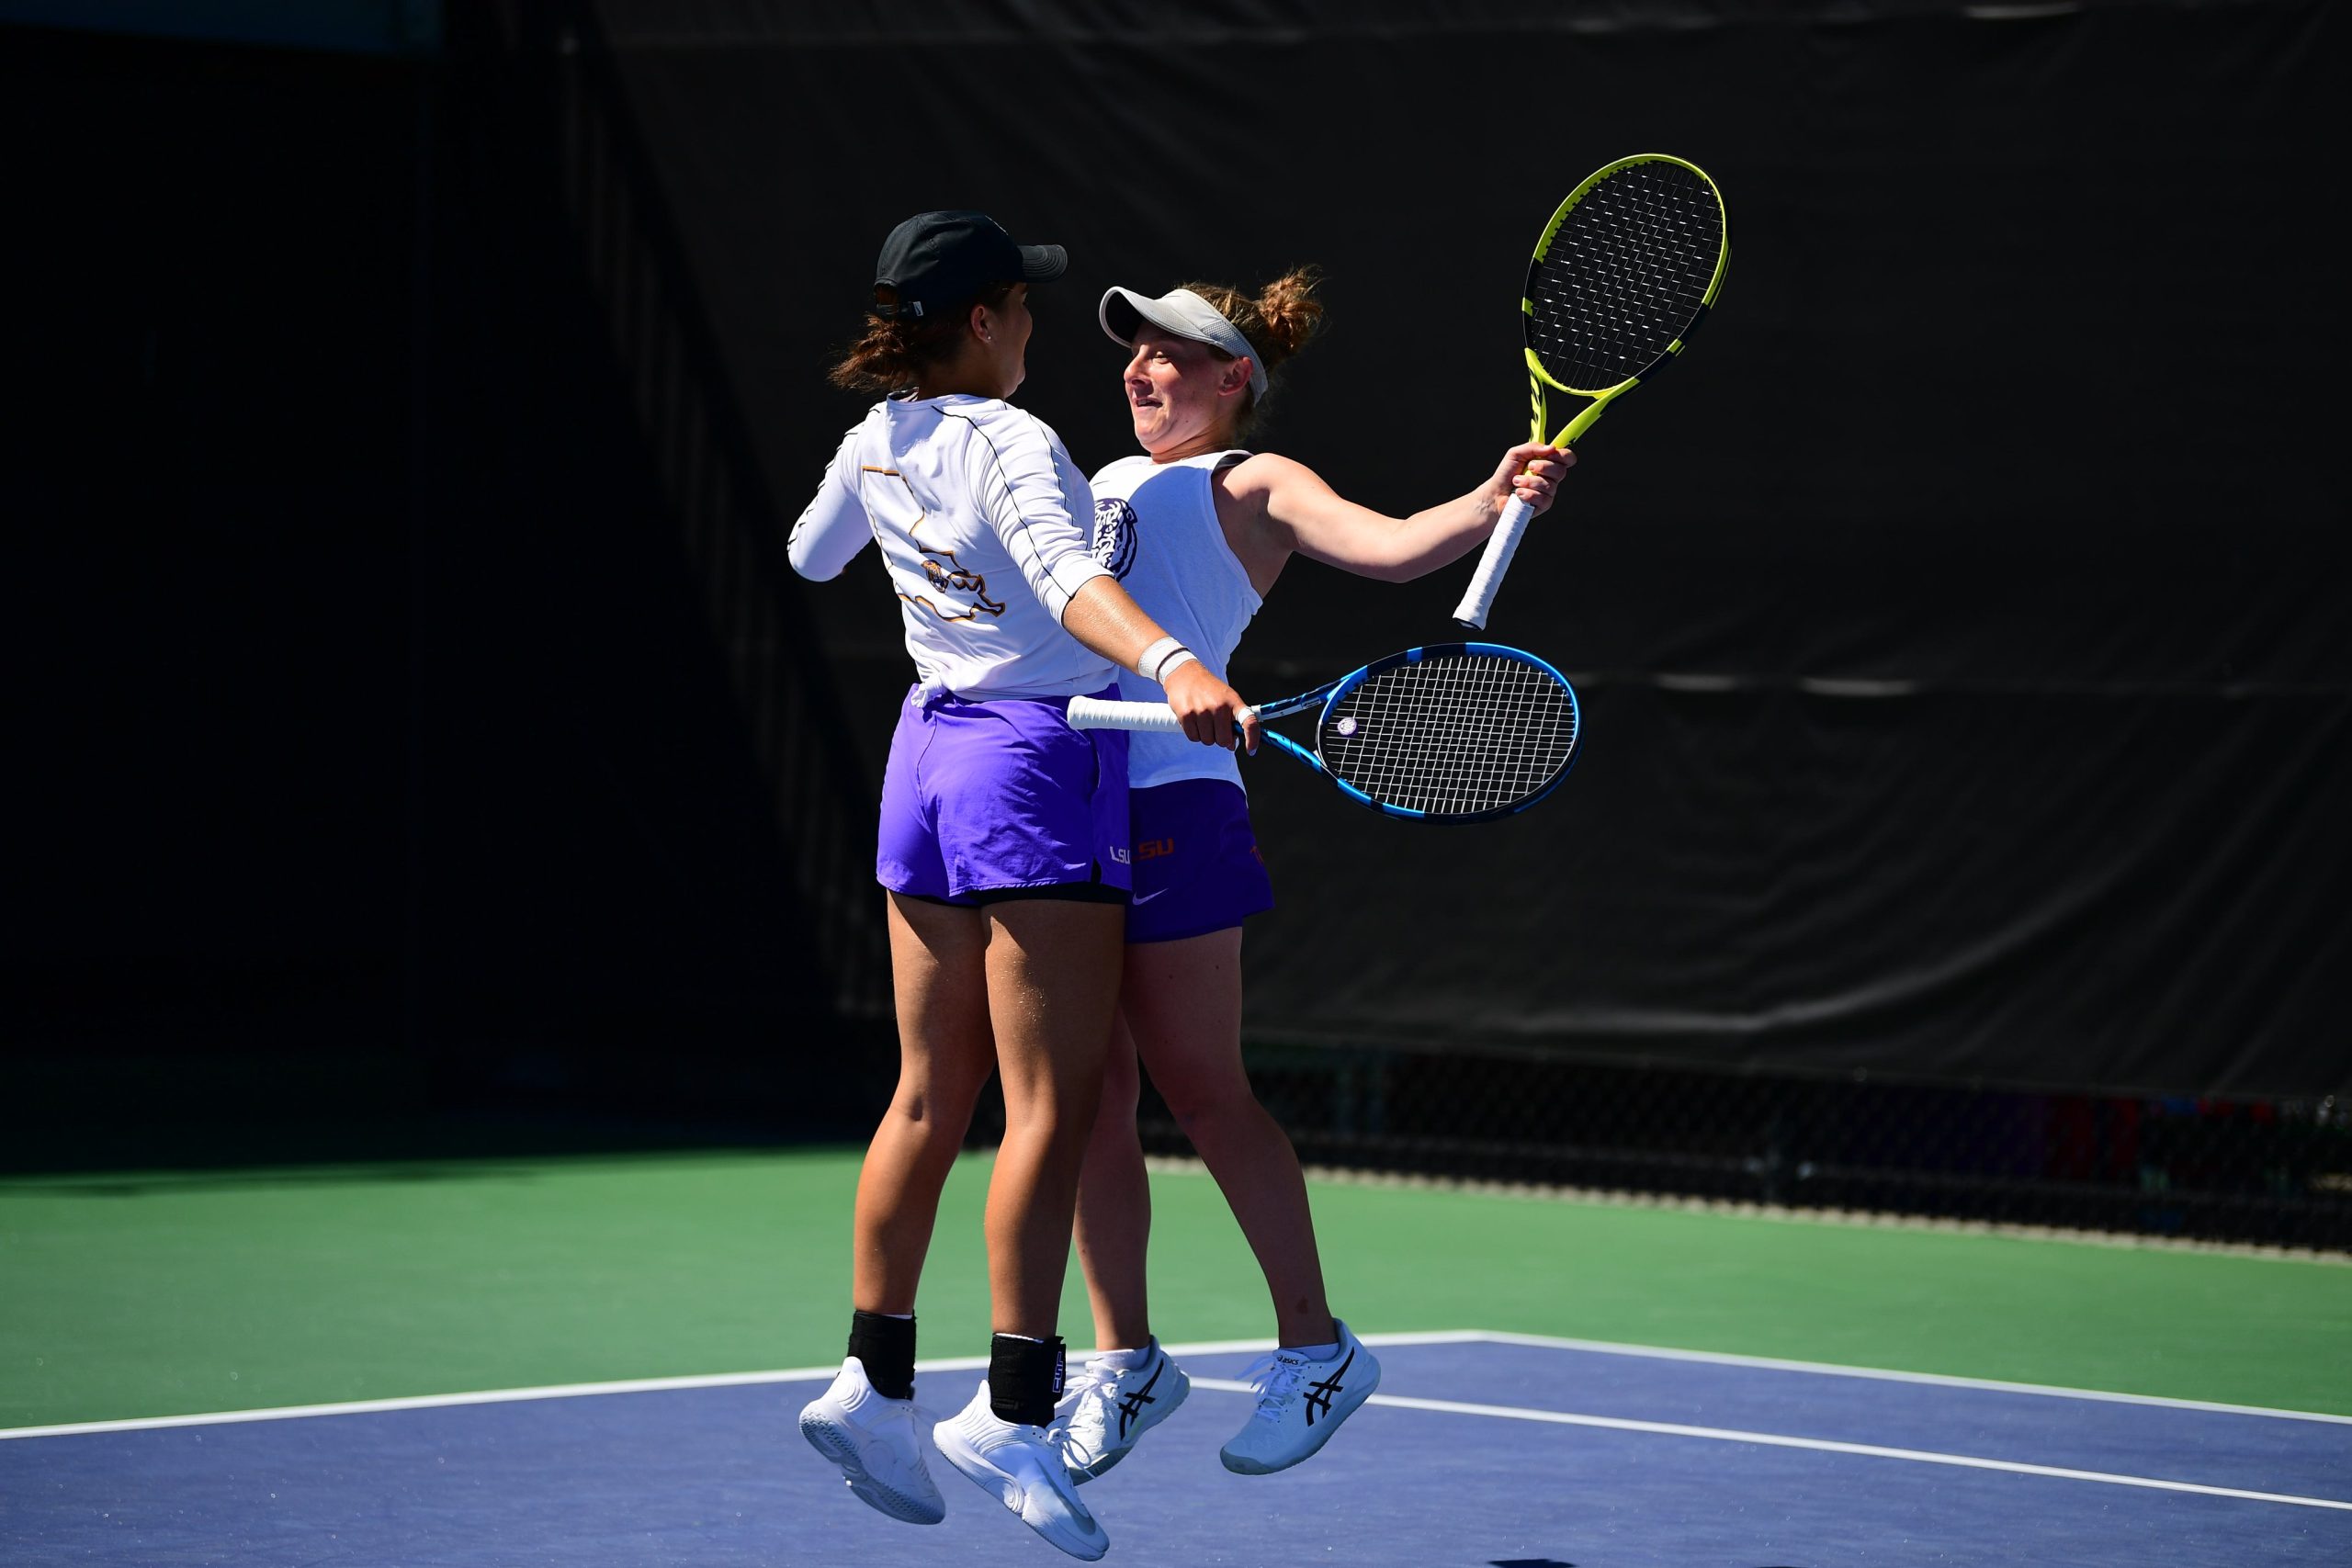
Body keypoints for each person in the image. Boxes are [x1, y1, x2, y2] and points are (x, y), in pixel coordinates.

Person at [785, 211, 1254, 1562]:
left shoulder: (877, 436)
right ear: (984, 320)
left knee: (927, 1095)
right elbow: (1065, 579)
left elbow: (815, 555)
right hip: (1034, 766)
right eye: (1025, 306)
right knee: (1051, 1104)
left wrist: (924, 537)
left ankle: (871, 1381)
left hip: (924, 758)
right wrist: (1173, 662)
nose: (1039, 326)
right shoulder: (1012, 439)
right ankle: (1015, 1409)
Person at [1049, 270, 1568, 1483]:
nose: (1140, 369)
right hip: (1071, 800)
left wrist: (1490, 498)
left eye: (1169, 353)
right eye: (1135, 351)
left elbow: (1389, 549)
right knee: (1083, 1099)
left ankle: (1316, 1348)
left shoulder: (1254, 481)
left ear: (1234, 377)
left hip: (1178, 806)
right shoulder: (1097, 478)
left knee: (1203, 1089)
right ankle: (1126, 1361)